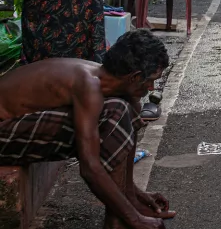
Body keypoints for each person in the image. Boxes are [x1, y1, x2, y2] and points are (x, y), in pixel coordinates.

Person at [0, 29, 175, 229]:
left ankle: (126, 204)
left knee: (127, 106)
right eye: (150, 79)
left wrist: (133, 194)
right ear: (134, 76)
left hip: (17, 126)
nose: (151, 87)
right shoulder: (88, 84)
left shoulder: (102, 78)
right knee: (115, 112)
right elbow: (89, 168)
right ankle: (118, 219)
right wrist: (135, 219)